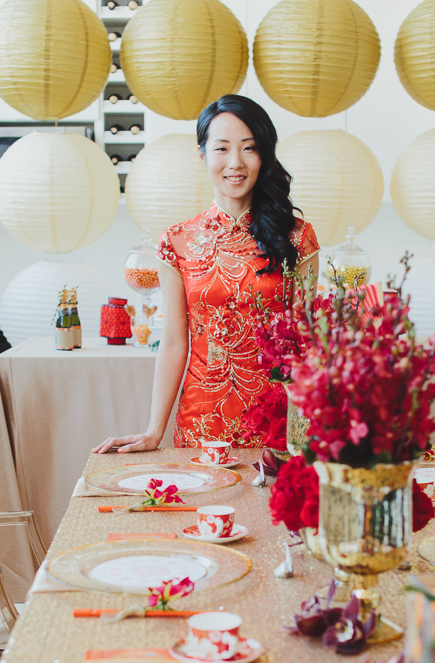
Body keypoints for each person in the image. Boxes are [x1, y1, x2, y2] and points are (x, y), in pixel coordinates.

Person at [93, 94, 319, 454]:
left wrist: (309, 430)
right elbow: (174, 342)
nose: (235, 162)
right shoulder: (177, 241)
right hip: (201, 423)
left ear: (264, 155)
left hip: (276, 421)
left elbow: (305, 341)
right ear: (203, 155)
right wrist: (153, 430)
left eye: (249, 148)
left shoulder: (296, 237)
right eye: (222, 149)